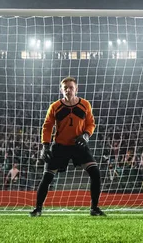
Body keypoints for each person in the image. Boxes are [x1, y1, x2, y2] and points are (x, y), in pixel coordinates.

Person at [30, 76, 105, 217]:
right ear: (61, 90)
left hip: (79, 145)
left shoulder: (85, 104)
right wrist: (45, 146)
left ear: (76, 89)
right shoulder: (55, 107)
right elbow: (47, 127)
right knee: (47, 177)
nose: (68, 90)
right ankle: (38, 209)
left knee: (95, 173)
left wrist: (86, 135)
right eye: (65, 88)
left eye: (71, 87)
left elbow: (91, 124)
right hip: (60, 146)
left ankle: (94, 208)